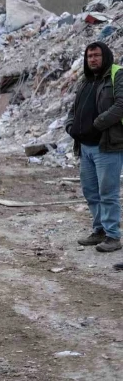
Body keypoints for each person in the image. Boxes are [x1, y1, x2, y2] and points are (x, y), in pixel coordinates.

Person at [65, 41, 123, 253]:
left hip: (107, 146)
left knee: (108, 192)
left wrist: (96, 124)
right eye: (89, 56)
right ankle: (99, 230)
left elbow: (121, 105)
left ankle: (113, 236)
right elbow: (75, 107)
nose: (93, 60)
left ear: (105, 56)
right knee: (91, 192)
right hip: (85, 147)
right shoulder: (86, 80)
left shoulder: (117, 75)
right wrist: (70, 125)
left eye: (96, 55)